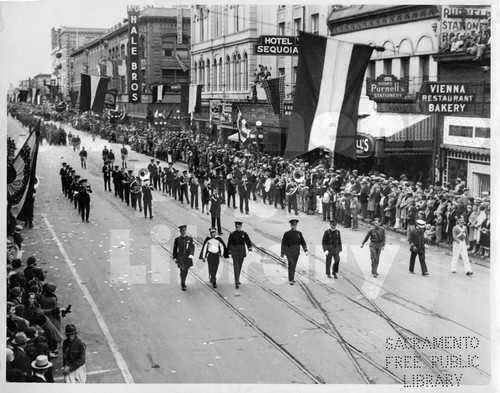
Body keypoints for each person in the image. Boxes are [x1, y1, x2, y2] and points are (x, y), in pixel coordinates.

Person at [280, 219, 308, 285]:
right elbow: (283, 243)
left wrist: (305, 250)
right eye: (293, 225)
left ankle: (291, 278)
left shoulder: (299, 233)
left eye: (295, 225)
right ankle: (291, 280)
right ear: (291, 225)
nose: (294, 226)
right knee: (292, 264)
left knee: (293, 265)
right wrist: (282, 253)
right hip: (289, 252)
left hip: (296, 252)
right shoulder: (287, 233)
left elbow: (303, 242)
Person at [227, 221, 253, 289]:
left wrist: (250, 249)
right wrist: (229, 252)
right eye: (236, 226)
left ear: (241, 227)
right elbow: (229, 243)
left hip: (241, 252)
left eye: (238, 226)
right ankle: (236, 282)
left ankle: (237, 278)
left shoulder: (244, 234)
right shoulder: (232, 234)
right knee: (236, 267)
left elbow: (248, 242)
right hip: (235, 252)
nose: (237, 227)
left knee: (240, 266)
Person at [172, 225, 195, 290]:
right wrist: (175, 257)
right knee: (182, 270)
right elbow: (175, 249)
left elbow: (192, 247)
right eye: (182, 231)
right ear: (180, 231)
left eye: (184, 230)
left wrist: (191, 254)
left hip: (187, 257)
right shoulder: (177, 239)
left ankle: (183, 280)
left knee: (186, 270)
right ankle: (183, 283)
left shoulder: (189, 239)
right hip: (180, 257)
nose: (183, 232)